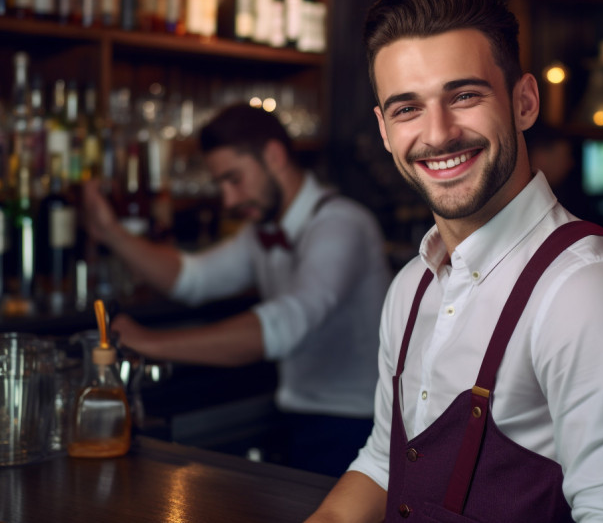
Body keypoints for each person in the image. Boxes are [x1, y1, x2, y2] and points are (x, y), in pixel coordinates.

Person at [307, 0, 603, 523]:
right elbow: (385, 462)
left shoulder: (593, 291)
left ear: (524, 101)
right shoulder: (410, 287)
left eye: (464, 96)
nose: (437, 134)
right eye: (407, 108)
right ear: (385, 131)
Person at [82, 103, 392, 478]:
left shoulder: (343, 224)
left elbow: (287, 323)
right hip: (298, 419)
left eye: (234, 179)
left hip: (360, 429)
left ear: (273, 156)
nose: (227, 200)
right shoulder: (261, 232)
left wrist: (149, 342)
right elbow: (192, 280)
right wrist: (111, 232)